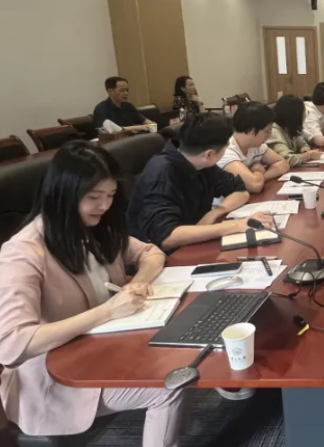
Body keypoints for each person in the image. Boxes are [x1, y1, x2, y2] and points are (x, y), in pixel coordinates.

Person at [0, 141, 190, 445]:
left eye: (111, 195)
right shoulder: (23, 253)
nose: (105, 205)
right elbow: (12, 344)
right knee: (169, 384)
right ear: (63, 195)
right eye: (94, 197)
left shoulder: (95, 229)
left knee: (185, 345)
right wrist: (108, 311)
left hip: (107, 348)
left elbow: (151, 253)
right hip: (57, 376)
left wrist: (137, 282)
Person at [128, 113, 274, 251]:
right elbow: (166, 237)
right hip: (159, 255)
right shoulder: (161, 174)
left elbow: (240, 190)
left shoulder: (199, 161)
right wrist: (236, 225)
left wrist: (213, 214)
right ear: (209, 154)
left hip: (194, 241)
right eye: (225, 148)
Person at [216, 101, 289, 194]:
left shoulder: (255, 145)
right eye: (267, 131)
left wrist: (260, 177)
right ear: (252, 131)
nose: (269, 135)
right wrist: (257, 168)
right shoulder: (226, 151)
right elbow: (255, 186)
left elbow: (283, 164)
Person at [267, 95, 323, 167]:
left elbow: (302, 143)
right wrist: (308, 155)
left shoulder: (289, 127)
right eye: (304, 111)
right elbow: (286, 159)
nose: (306, 115)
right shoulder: (274, 132)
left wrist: (304, 150)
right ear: (295, 115)